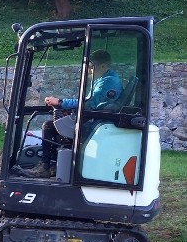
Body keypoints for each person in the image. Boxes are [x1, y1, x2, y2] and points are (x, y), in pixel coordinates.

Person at [21, 50, 122, 178]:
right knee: (54, 125)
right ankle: (52, 165)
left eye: (91, 68)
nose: (89, 71)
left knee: (49, 126)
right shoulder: (106, 78)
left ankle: (46, 166)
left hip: (94, 124)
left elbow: (88, 103)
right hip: (96, 119)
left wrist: (60, 102)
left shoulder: (107, 82)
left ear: (103, 66)